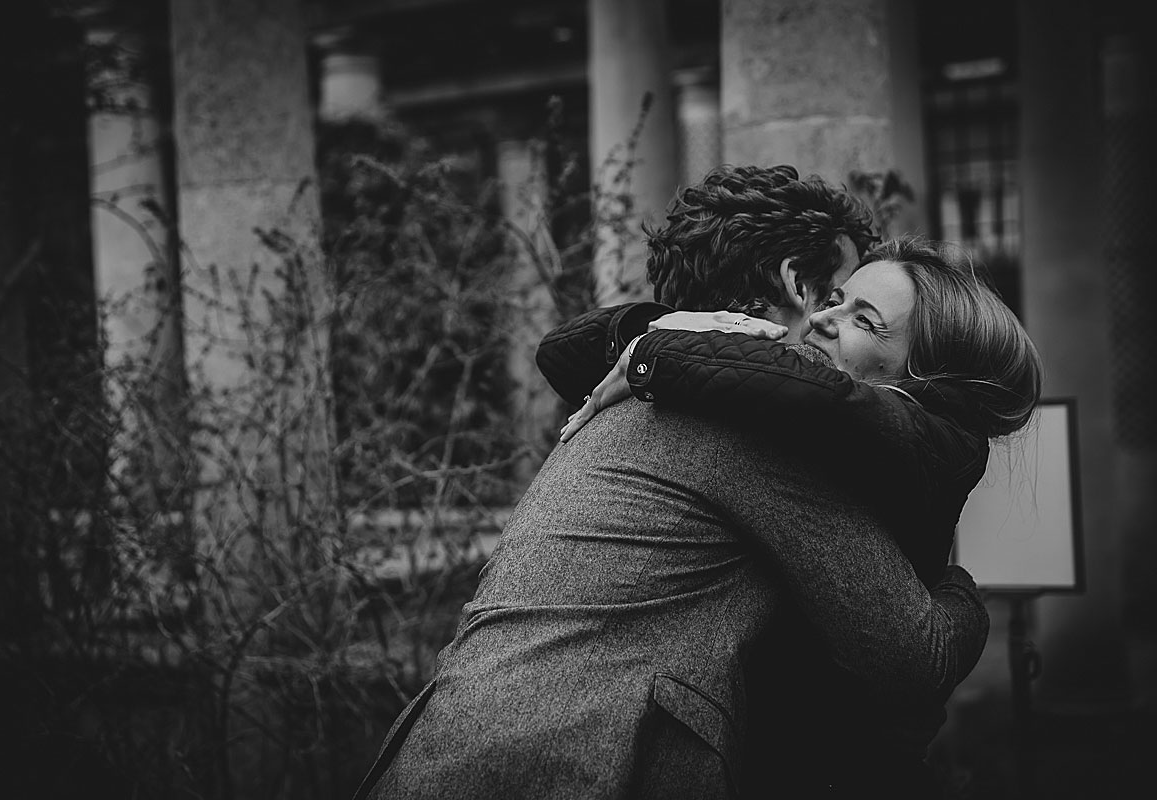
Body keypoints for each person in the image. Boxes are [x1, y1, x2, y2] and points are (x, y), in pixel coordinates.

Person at [351, 165, 995, 800]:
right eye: (834, 297)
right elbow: (912, 657)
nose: (832, 322)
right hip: (580, 765)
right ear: (798, 284)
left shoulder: (637, 395)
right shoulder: (757, 422)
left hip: (443, 753)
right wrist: (959, 585)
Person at [537, 234, 1043, 795]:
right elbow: (561, 353)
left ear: (922, 378)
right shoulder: (830, 424)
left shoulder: (878, 428)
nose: (825, 318)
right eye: (834, 299)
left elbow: (914, 661)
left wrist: (964, 596)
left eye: (865, 321)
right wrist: (684, 332)